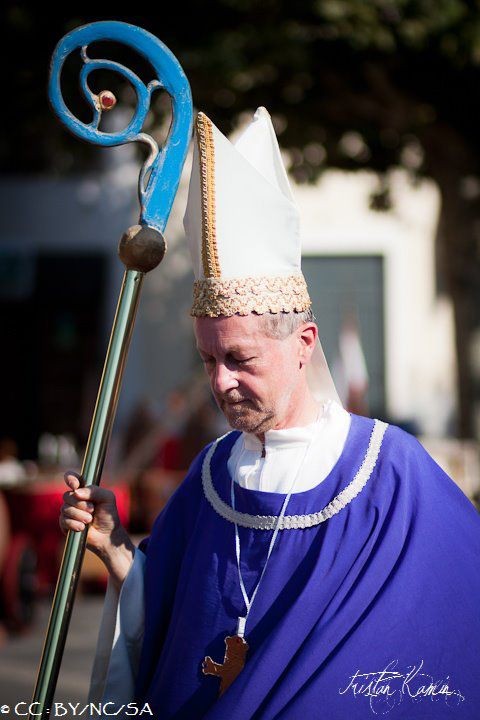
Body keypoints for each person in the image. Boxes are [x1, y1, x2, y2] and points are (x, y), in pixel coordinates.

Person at [60, 108, 480, 719]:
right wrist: (116, 547)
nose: (221, 382)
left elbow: (453, 615)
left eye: (240, 359)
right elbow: (173, 619)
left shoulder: (391, 473)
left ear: (303, 343)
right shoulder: (212, 475)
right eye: (208, 360)